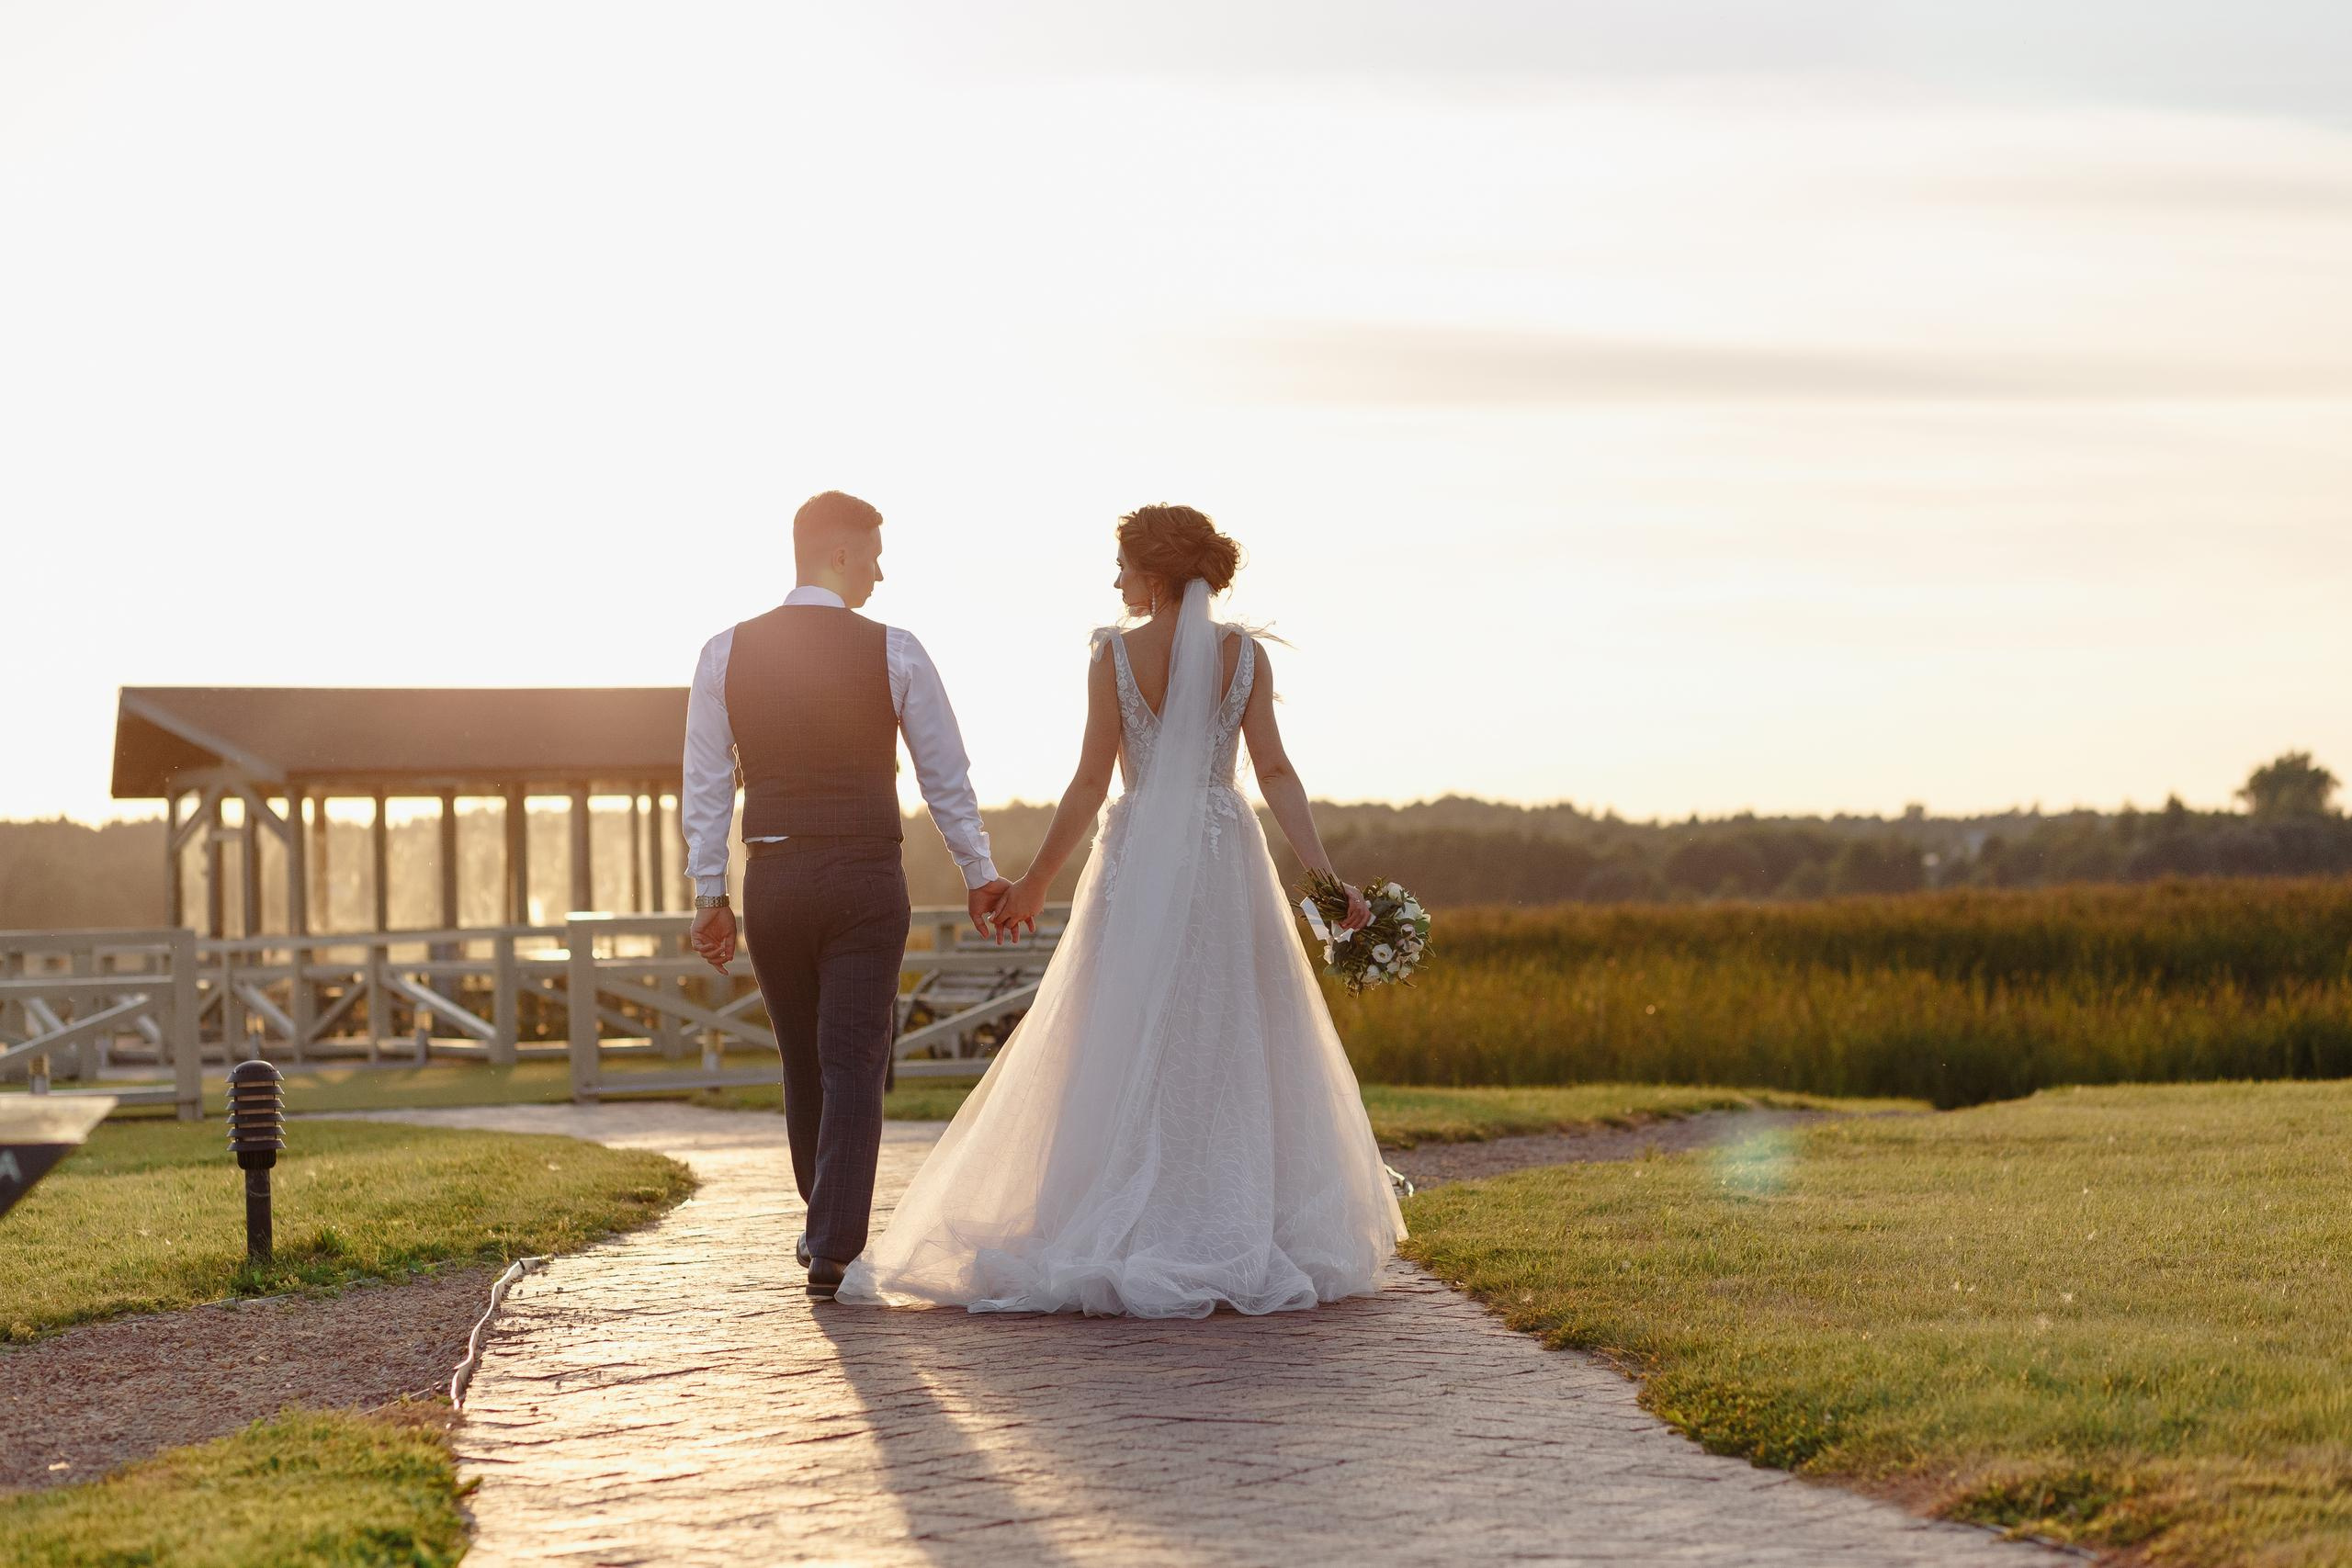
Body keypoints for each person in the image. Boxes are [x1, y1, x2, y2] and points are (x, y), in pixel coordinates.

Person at [837, 503, 1405, 1316]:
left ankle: (1135, 1211)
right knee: (1227, 1030)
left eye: (1123, 567)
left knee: (1123, 1025)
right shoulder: (1244, 657)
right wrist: (1324, 881)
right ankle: (1229, 1214)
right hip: (1221, 852)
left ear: (1153, 572)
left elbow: (1088, 783)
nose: (1114, 582)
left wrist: (1033, 882)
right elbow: (1275, 772)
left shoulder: (1111, 655)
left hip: (1138, 856)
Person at [682, 490, 1010, 1299]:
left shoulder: (725, 651)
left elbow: (705, 782)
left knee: (810, 1063)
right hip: (865, 874)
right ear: (835, 555)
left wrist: (711, 891)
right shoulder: (895, 651)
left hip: (776, 877)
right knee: (850, 1062)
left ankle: (827, 1233)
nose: (880, 573)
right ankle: (830, 1228)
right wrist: (977, 872)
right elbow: (945, 774)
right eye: (871, 556)